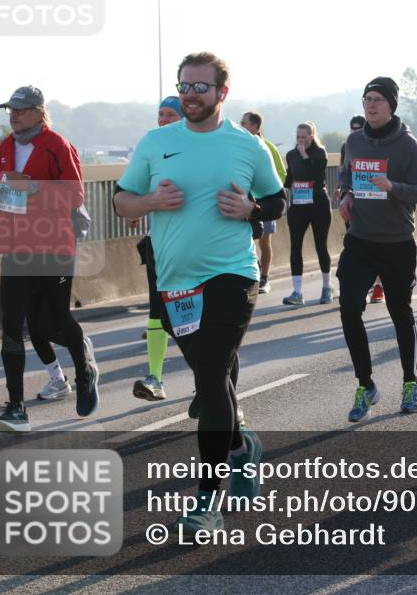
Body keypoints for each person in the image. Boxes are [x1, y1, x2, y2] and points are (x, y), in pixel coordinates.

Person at [114, 52, 286, 532]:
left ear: (221, 93)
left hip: (232, 274)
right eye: (184, 86)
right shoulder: (155, 142)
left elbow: (278, 198)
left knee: (210, 379)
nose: (190, 95)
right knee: (213, 375)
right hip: (175, 280)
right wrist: (151, 201)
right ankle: (239, 445)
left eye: (200, 87)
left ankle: (207, 499)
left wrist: (250, 209)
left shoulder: (246, 146)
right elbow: (121, 199)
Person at [0, 86, 99, 431]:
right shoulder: (5, 148)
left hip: (55, 246)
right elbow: (6, 192)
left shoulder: (57, 145)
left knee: (57, 320)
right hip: (16, 248)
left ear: (39, 111)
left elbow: (74, 194)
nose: (13, 115)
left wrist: (28, 189)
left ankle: (84, 371)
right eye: (10, 110)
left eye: (20, 110)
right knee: (12, 325)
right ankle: (16, 408)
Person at [336, 76, 417, 422]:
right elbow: (345, 176)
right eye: (366, 99)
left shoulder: (407, 145)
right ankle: (366, 385)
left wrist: (393, 187)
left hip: (396, 242)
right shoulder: (354, 141)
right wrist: (344, 194)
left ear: (391, 105)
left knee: (399, 312)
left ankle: (410, 382)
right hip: (360, 240)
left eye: (377, 99)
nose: (371, 105)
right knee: (348, 309)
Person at [129, 96, 184, 402]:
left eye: (169, 114)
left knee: (197, 317)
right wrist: (136, 208)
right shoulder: (151, 149)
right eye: (160, 114)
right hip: (159, 244)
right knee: (157, 310)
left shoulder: (200, 150)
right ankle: (155, 378)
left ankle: (212, 384)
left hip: (196, 247)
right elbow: (134, 190)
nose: (163, 119)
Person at [282, 122, 333, 306]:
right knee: (295, 246)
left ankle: (327, 287)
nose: (300, 141)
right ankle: (297, 292)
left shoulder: (320, 153)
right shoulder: (290, 155)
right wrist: (283, 188)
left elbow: (317, 175)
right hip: (299, 204)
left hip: (318, 203)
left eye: (304, 137)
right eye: (298, 137)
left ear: (311, 137)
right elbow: (289, 179)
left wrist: (305, 156)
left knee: (321, 245)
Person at [339, 114, 385, 304]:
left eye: (359, 129)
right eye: (353, 129)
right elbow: (344, 173)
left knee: (378, 248)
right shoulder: (347, 146)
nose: (355, 132)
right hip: (355, 206)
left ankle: (378, 286)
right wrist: (344, 193)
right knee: (358, 248)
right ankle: (362, 285)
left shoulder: (377, 144)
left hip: (378, 205)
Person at [240, 111, 287, 293]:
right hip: (248, 204)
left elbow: (282, 174)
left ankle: (265, 278)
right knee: (251, 238)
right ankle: (255, 273)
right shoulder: (239, 147)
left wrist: (266, 190)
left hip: (266, 202)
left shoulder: (266, 147)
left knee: (264, 240)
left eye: (244, 123)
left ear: (255, 127)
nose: (241, 126)